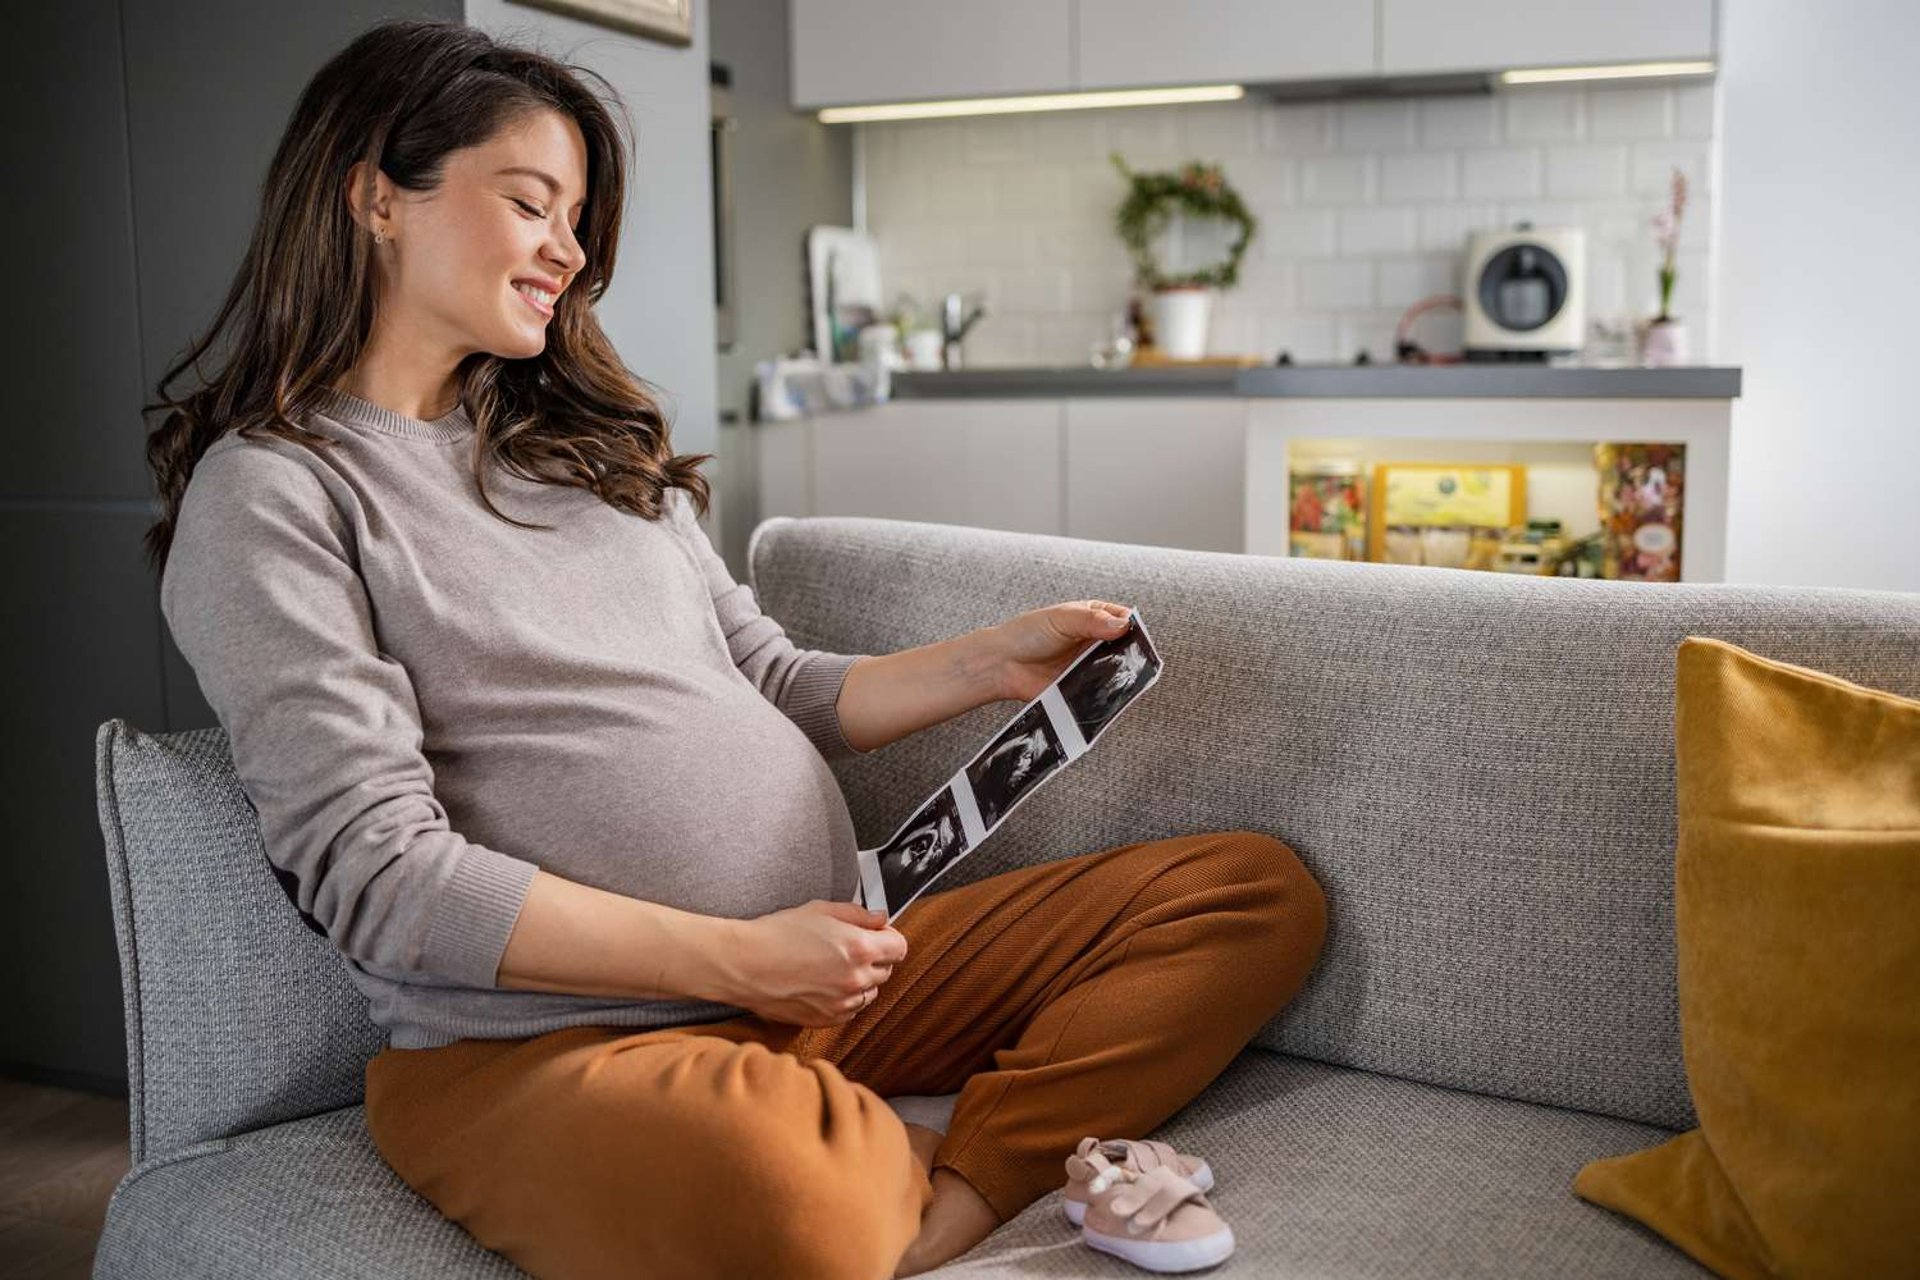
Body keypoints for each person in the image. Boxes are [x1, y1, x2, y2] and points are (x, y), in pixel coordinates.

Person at [144, 19, 1328, 1280]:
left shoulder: (587, 449)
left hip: (832, 969)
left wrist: (985, 664)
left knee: (1250, 894)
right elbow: (379, 875)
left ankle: (941, 1179)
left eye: (578, 217)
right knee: (791, 1198)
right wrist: (742, 956)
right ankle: (953, 1179)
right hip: (552, 1045)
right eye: (532, 204)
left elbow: (767, 679)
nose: (569, 250)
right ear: (377, 196)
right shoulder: (277, 493)